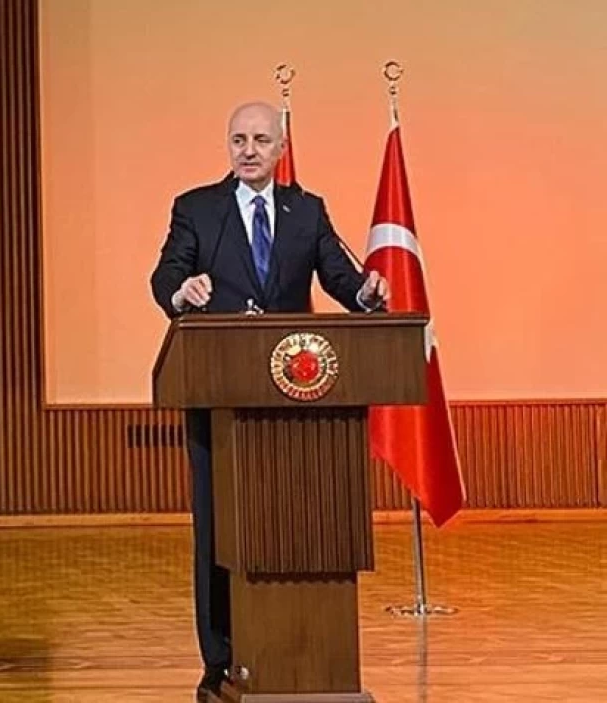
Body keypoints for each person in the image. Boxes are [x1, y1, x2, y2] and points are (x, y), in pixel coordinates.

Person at [149, 101, 388, 701]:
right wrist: (182, 291)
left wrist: (365, 293)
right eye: (238, 139)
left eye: (260, 139)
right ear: (227, 146)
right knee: (218, 528)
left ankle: (306, 655)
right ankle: (221, 660)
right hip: (218, 396)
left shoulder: (306, 210)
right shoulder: (197, 208)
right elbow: (165, 275)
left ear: (281, 149)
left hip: (297, 406)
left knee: (299, 522)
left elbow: (340, 277)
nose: (248, 150)